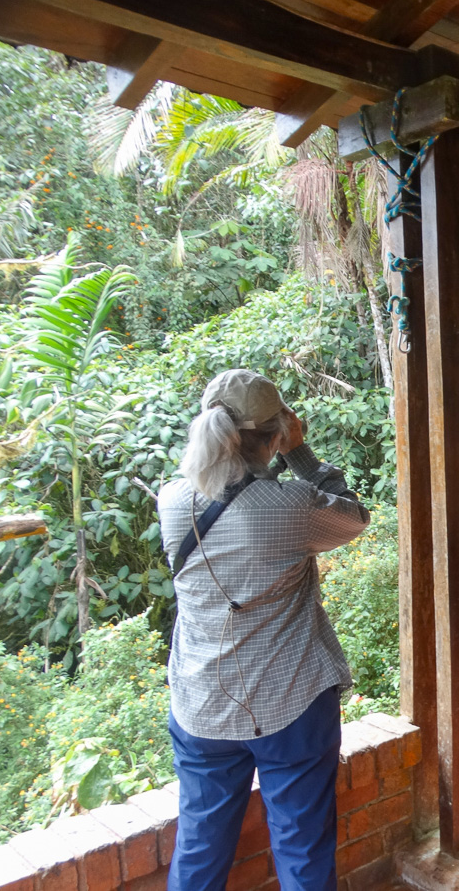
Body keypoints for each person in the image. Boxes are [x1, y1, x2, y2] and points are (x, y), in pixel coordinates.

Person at [157, 369, 370, 890]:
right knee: (302, 848)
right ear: (276, 435)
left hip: (202, 704)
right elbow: (355, 518)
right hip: (290, 703)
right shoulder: (290, 507)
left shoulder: (171, 502)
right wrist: (301, 454)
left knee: (200, 846)